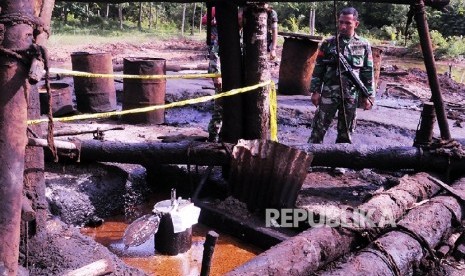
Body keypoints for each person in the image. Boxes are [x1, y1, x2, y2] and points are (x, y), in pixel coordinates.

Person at [308, 7, 374, 144]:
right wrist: (315, 91)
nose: (343, 26)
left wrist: (369, 95)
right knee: (318, 130)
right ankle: (311, 159)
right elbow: (318, 68)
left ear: (356, 24)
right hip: (329, 93)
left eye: (348, 23)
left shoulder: (363, 44)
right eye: (341, 22)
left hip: (351, 94)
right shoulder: (328, 43)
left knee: (346, 133)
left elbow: (368, 71)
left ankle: (341, 162)